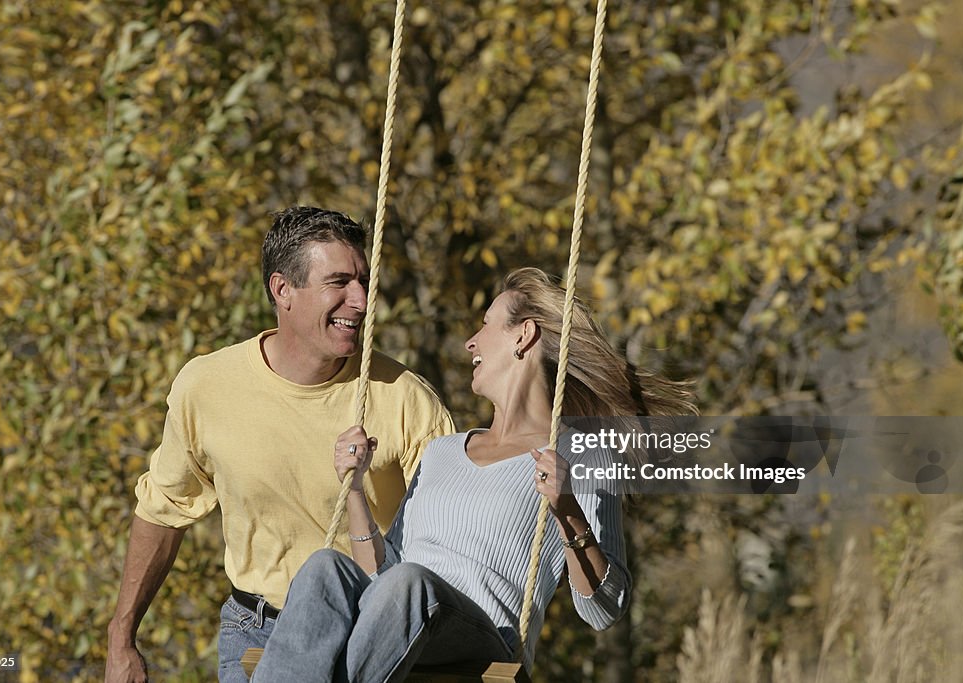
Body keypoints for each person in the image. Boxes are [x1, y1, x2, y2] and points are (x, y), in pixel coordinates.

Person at [250, 267, 696, 681]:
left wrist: (568, 511)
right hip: (403, 617)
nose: (471, 342)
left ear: (523, 336)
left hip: (484, 638)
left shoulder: (577, 454)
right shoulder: (442, 451)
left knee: (410, 584)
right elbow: (382, 574)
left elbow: (606, 608)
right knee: (324, 566)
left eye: (485, 324)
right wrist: (355, 490)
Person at [105, 207, 454, 683]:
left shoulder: (406, 398)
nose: (361, 300)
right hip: (255, 634)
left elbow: (451, 537)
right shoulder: (207, 386)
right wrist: (121, 637)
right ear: (282, 290)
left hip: (368, 640)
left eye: (364, 282)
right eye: (339, 282)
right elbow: (164, 510)